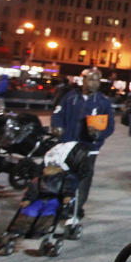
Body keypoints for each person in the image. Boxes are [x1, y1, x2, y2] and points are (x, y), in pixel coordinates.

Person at [50, 68, 115, 215]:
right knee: (63, 175)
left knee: (84, 179)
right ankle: (61, 204)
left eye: (97, 80)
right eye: (91, 79)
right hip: (68, 145)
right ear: (83, 80)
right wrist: (57, 127)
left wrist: (99, 134)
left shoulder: (103, 102)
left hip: (89, 148)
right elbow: (58, 114)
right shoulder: (70, 97)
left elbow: (110, 126)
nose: (94, 83)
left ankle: (77, 207)